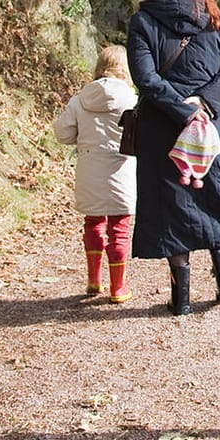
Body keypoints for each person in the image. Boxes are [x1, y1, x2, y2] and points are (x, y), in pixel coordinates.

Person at [127, 0, 220, 316]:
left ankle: (180, 298)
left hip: (162, 127)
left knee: (170, 206)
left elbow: (145, 78)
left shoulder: (143, 20)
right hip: (210, 128)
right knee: (212, 195)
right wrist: (204, 106)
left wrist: (182, 110)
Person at [52, 46, 138, 303]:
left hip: (89, 167)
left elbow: (63, 134)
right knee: (119, 228)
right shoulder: (132, 100)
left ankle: (93, 280)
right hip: (121, 168)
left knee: (93, 222)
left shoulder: (80, 100)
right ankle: (118, 288)